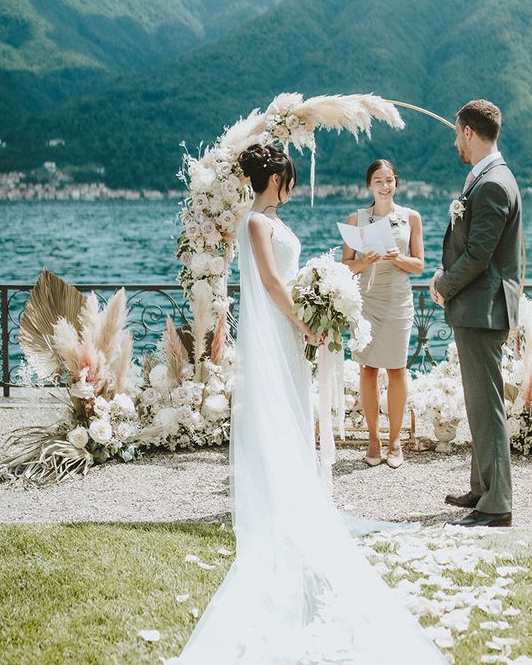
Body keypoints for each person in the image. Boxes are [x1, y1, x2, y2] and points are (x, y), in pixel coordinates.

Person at [177, 144, 443, 663]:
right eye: (289, 178)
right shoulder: (255, 223)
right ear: (273, 179)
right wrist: (304, 321)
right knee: (278, 409)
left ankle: (295, 487)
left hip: (291, 328)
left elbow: (289, 279)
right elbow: (273, 284)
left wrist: (318, 300)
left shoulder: (273, 220)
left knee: (295, 409)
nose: (293, 186)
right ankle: (280, 497)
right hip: (278, 330)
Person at [430, 100, 522, 529]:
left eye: (456, 134)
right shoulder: (488, 179)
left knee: (487, 406)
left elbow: (480, 256)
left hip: (483, 309)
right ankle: (482, 487)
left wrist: (442, 285)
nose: (455, 142)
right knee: (479, 403)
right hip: (478, 307)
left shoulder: (492, 184)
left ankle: (497, 504)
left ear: (468, 131)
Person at [342, 160, 424, 469]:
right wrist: (366, 261)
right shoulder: (358, 218)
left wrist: (397, 257)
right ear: (369, 185)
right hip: (366, 299)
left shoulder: (411, 218)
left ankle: (395, 440)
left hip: (398, 298)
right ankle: (373, 439)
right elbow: (346, 265)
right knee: (368, 370)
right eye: (378, 180)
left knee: (397, 370)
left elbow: (419, 264)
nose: (384, 185)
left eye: (389, 179)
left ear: (396, 183)